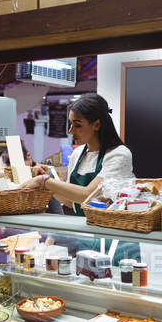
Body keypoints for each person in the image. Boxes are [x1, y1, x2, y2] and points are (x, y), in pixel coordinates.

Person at [22, 94, 140, 263]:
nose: (71, 131)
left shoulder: (119, 154)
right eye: (70, 124)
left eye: (77, 125)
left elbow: (88, 195)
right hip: (87, 237)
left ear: (97, 125)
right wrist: (48, 179)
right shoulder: (77, 154)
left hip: (117, 240)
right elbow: (72, 202)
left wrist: (45, 182)